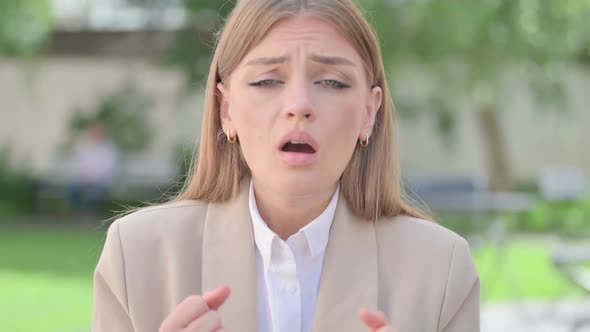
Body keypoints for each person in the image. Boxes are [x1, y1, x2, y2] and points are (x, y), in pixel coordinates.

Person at [92, 0, 480, 331]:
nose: (299, 104)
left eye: (331, 82)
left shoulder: (442, 269)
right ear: (226, 110)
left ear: (369, 112)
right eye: (266, 81)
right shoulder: (137, 255)